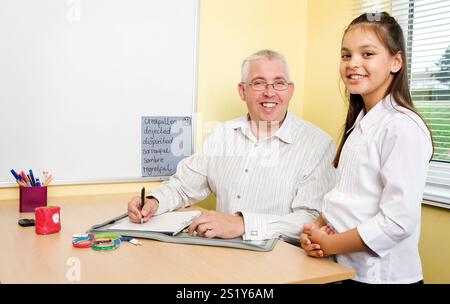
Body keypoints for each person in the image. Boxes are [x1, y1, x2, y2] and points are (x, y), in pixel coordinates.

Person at [127, 49, 336, 243]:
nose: (270, 92)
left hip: (281, 262)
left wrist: (243, 224)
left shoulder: (318, 145)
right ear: (242, 91)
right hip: (224, 255)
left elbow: (312, 219)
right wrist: (154, 201)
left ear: (290, 91)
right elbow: (184, 186)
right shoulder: (222, 134)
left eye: (279, 83)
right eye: (258, 83)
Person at [300, 12, 433, 284]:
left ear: (396, 62)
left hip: (382, 278)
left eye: (367, 53)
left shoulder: (402, 127)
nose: (353, 63)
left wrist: (330, 244)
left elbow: (398, 222)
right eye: (346, 55)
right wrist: (314, 231)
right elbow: (349, 197)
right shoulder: (361, 122)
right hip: (346, 270)